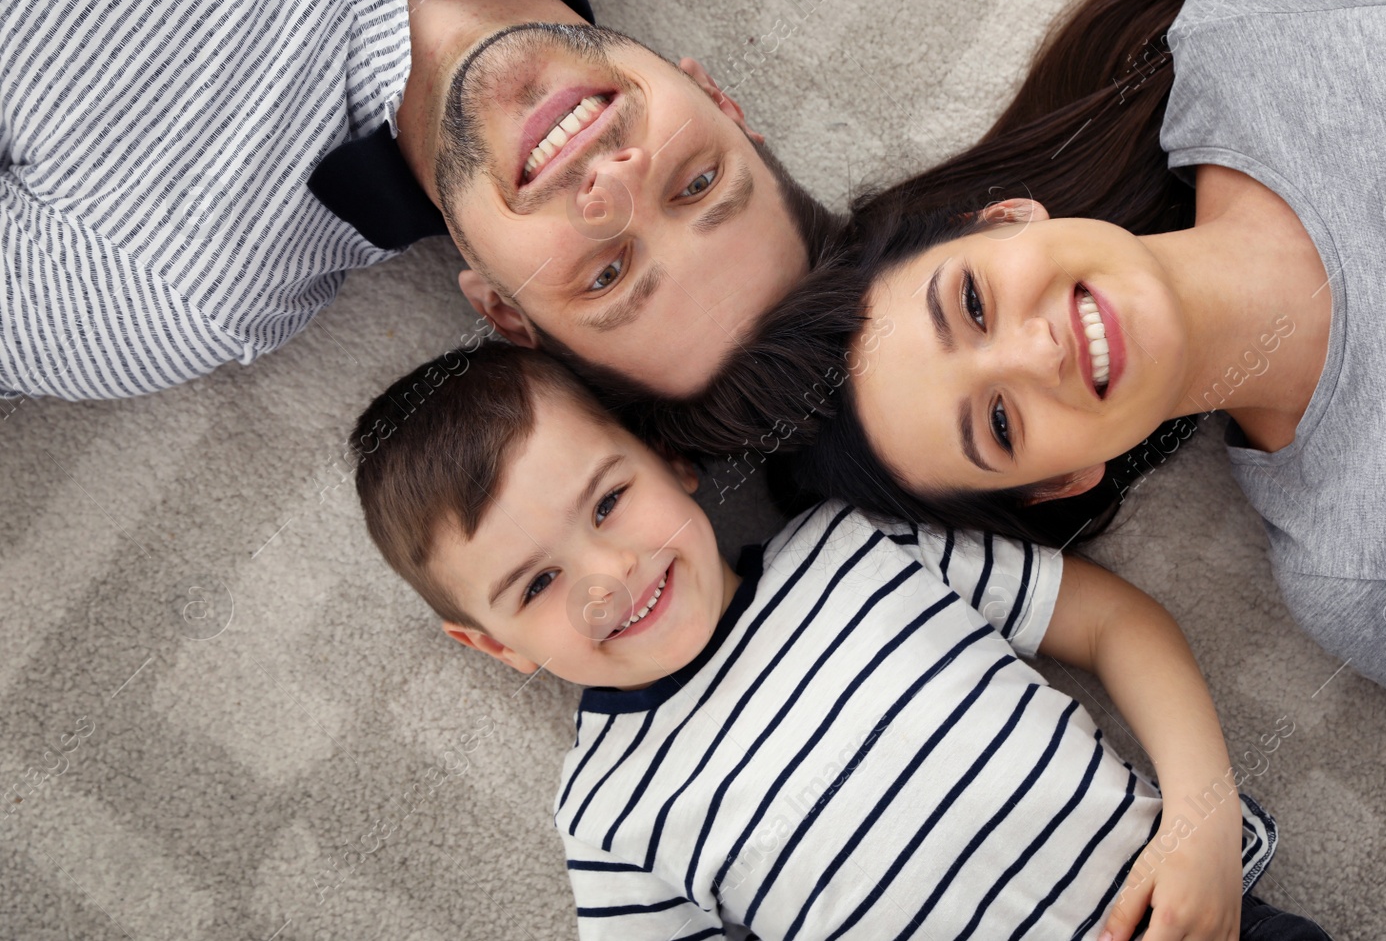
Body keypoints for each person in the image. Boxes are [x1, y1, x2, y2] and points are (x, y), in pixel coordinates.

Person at [659, 0, 1386, 758]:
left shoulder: (1252, 31)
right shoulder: (1366, 574)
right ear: (1065, 477)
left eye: (974, 302)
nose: (1036, 349)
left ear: (1008, 217)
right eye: (998, 421)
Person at [348, 341, 1332, 940]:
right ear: (494, 645)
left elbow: (1117, 622)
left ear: (671, 461)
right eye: (538, 582)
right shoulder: (609, 813)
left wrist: (1199, 815)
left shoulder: (858, 546)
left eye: (609, 500)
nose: (607, 575)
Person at [0, 0, 835, 401]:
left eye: (609, 272)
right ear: (721, 100)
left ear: (503, 311)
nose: (613, 181)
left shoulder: (173, 287)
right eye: (695, 185)